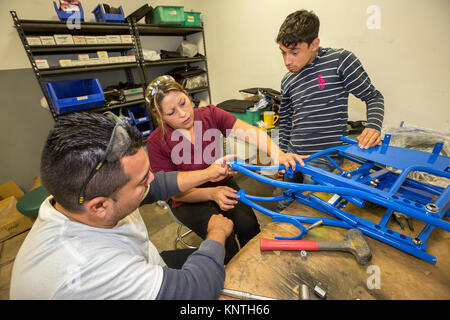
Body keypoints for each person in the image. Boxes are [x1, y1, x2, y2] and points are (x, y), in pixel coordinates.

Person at [10, 111, 237, 300]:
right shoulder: (89, 269)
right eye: (141, 180)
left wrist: (208, 173)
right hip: (121, 275)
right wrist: (215, 232)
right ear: (99, 207)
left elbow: (157, 185)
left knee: (215, 259)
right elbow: (196, 290)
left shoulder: (79, 198)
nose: (151, 178)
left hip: (146, 261)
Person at [145, 75, 308, 263]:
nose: (183, 113)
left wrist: (278, 154)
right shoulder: (156, 143)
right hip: (189, 197)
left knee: (250, 227)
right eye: (171, 112)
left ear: (186, 95)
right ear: (159, 117)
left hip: (223, 183)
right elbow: (176, 194)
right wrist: (212, 193)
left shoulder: (209, 115)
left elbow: (250, 132)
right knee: (225, 241)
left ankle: (253, 270)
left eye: (183, 103)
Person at [275, 9, 385, 211]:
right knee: (284, 204)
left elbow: (373, 97)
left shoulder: (340, 61)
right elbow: (286, 120)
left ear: (314, 44)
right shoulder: (288, 80)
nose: (287, 61)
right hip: (292, 155)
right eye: (283, 52)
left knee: (313, 210)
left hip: (323, 161)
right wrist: (281, 154)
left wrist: (373, 126)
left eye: (294, 52)